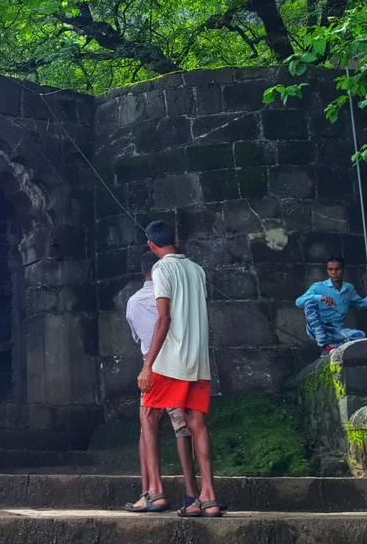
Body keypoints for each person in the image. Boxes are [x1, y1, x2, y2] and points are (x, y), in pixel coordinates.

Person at [139, 220, 222, 518]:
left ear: (151, 245)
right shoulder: (197, 270)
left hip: (171, 359)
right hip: (198, 361)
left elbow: (164, 319)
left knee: (148, 414)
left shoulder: (161, 269)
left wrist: (148, 364)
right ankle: (208, 496)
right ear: (176, 239)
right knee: (196, 423)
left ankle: (155, 491)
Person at [124, 250, 197, 514]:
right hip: (177, 366)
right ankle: (191, 492)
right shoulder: (172, 297)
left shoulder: (133, 302)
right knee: (182, 428)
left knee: (147, 427)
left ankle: (151, 491)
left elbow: (139, 337)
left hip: (152, 368)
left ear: (142, 272)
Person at [295, 256, 367, 353]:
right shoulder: (318, 287)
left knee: (359, 335)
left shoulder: (349, 289)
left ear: (343, 270)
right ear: (327, 271)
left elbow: (363, 304)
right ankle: (323, 346)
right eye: (330, 269)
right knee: (310, 302)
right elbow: (299, 302)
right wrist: (320, 297)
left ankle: (333, 348)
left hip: (335, 331)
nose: (334, 273)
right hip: (317, 329)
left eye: (337, 269)